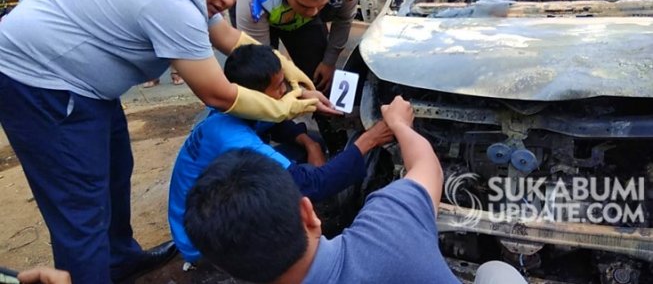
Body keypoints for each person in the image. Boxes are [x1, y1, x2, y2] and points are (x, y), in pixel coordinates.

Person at [0, 0, 326, 283]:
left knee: (114, 170)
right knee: (81, 205)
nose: (230, 0)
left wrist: (287, 67)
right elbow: (217, 93)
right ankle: (89, 274)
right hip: (41, 83)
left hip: (84, 87)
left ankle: (120, 261)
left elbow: (229, 37)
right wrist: (287, 108)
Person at [183, 96, 527, 283]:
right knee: (495, 272)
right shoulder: (389, 224)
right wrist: (399, 125)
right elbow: (427, 166)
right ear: (309, 214)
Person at [169, 44, 393, 265]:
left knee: (311, 143)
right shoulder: (233, 139)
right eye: (278, 87)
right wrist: (370, 138)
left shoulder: (237, 107)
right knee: (303, 181)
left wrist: (310, 145)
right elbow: (313, 182)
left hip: (214, 200)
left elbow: (270, 124)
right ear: (253, 95)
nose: (285, 91)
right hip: (202, 240)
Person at [230, 0, 357, 93]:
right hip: (261, 11)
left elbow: (343, 20)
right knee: (262, 82)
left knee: (320, 77)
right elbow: (260, 60)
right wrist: (296, 95)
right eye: (305, 5)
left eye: (320, 5)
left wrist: (329, 61)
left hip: (295, 18)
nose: (313, 13)